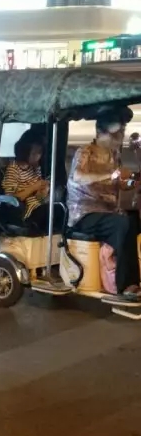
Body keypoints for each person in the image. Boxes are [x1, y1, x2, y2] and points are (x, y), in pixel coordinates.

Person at [67, 107, 141, 299]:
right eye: (117, 133)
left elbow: (119, 184)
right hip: (84, 214)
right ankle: (125, 286)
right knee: (122, 224)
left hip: (107, 212)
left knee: (133, 221)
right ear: (101, 132)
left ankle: (131, 280)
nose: (120, 137)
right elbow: (79, 177)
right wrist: (111, 174)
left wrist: (133, 182)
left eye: (122, 132)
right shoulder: (85, 152)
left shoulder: (113, 155)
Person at [1, 130, 64, 232]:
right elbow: (10, 199)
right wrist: (34, 187)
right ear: (24, 151)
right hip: (26, 212)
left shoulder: (35, 167)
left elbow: (39, 198)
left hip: (38, 205)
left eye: (40, 153)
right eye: (34, 153)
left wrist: (43, 191)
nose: (38, 157)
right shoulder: (14, 169)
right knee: (49, 212)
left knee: (60, 209)